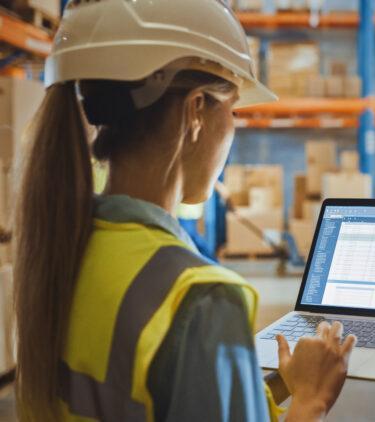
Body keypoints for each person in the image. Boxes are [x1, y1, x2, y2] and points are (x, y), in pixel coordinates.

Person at [13, 1, 356, 421]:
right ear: (195, 111)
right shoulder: (201, 300)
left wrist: (280, 380)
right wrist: (311, 400)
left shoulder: (62, 245)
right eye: (232, 111)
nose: (233, 129)